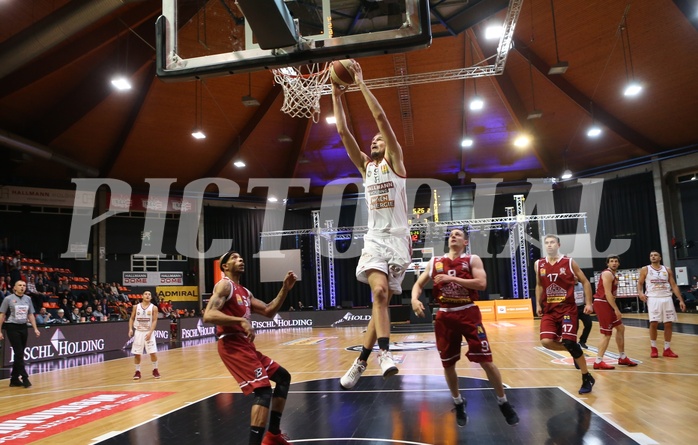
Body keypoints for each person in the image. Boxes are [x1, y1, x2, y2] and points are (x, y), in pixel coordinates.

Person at [332, 60, 411, 388]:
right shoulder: (367, 168)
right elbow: (342, 131)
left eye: (381, 140)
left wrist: (361, 81)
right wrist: (335, 94)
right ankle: (384, 354)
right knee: (378, 291)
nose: (376, 140)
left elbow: (380, 118)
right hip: (375, 238)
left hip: (399, 239)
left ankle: (362, 360)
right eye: (374, 140)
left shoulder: (395, 163)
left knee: (381, 301)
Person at [411, 228, 519, 427]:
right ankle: (458, 402)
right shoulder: (435, 262)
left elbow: (481, 283)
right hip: (445, 315)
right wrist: (414, 299)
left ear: (465, 242)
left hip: (468, 312)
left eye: (458, 234)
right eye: (451, 234)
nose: (453, 236)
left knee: (486, 361)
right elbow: (418, 284)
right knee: (448, 364)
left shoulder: (472, 259)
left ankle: (503, 402)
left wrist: (451, 279)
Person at [203, 250, 298, 445]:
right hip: (231, 344)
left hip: (246, 346)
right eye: (235, 258)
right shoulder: (224, 286)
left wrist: (284, 290)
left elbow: (269, 311)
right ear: (225, 266)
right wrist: (241, 321)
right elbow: (208, 315)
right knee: (263, 391)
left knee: (283, 377)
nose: (240, 259)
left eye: (241, 257)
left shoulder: (245, 292)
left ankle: (273, 435)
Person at [535, 234, 595, 394]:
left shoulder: (568, 262)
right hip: (549, 309)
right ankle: (576, 353)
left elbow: (585, 281)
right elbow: (539, 285)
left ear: (558, 245)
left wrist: (589, 303)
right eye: (546, 243)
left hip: (567, 309)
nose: (549, 245)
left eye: (552, 242)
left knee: (569, 341)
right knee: (546, 342)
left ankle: (586, 377)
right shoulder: (539, 264)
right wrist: (537, 304)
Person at [637, 251, 686, 358]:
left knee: (668, 323)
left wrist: (681, 300)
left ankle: (667, 349)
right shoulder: (645, 269)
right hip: (653, 298)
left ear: (660, 257)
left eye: (655, 255)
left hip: (666, 297)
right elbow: (640, 283)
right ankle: (653, 348)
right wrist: (640, 293)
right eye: (651, 255)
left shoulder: (667, 270)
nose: (653, 257)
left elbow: (673, 285)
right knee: (654, 323)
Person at [592, 255, 637, 369]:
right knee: (606, 333)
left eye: (616, 261)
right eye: (611, 261)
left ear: (619, 264)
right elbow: (607, 294)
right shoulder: (607, 273)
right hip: (602, 302)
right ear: (607, 264)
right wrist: (616, 309)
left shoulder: (613, 274)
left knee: (620, 328)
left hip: (607, 303)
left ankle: (622, 357)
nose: (614, 263)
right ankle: (598, 361)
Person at [0, 280, 41, 387]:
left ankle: (14, 379)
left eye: (24, 285)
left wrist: (35, 328)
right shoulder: (8, 299)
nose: (22, 287)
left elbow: (30, 315)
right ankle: (25, 377)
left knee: (20, 354)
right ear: (14, 287)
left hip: (23, 327)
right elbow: (2, 315)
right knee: (18, 352)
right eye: (20, 285)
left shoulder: (28, 299)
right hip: (12, 327)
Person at [128, 290, 161, 379]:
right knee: (137, 353)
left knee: (152, 352)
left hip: (148, 332)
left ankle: (155, 369)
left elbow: (154, 321)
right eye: (146, 294)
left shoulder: (154, 308)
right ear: (142, 296)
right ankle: (137, 371)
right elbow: (131, 318)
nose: (147, 295)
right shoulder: (136, 307)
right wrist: (130, 329)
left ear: (151, 297)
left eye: (149, 294)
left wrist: (150, 332)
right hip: (138, 332)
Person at [574, 275, 592, 349]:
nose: (575, 276)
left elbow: (586, 295)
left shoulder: (582, 285)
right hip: (573, 309)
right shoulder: (568, 286)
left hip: (582, 307)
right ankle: (573, 343)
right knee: (575, 327)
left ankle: (582, 341)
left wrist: (588, 304)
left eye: (576, 275)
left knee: (588, 324)